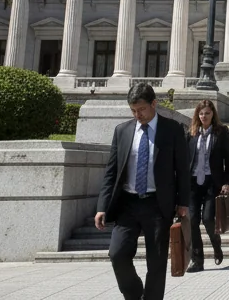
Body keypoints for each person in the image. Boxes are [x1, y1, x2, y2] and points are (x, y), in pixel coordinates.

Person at [94, 83, 189, 300]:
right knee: (117, 254)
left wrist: (183, 202)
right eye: (133, 111)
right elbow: (111, 172)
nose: (138, 115)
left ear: (154, 104)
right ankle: (135, 293)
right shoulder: (122, 131)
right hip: (128, 204)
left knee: (156, 263)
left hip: (158, 204)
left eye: (142, 110)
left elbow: (182, 170)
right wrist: (102, 207)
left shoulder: (173, 130)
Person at [185, 99, 229, 272]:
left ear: (213, 115)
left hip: (212, 183)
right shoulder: (191, 133)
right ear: (198, 115)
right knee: (193, 221)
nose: (204, 116)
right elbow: (184, 160)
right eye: (201, 113)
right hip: (192, 183)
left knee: (207, 219)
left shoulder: (221, 132)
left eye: (207, 113)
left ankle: (216, 244)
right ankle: (198, 260)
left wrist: (227, 182)